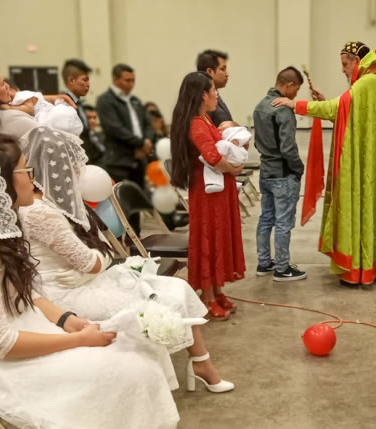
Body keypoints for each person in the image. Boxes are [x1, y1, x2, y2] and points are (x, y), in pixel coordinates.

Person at [0, 132, 179, 429]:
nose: (33, 179)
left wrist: (68, 321)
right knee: (131, 367)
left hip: (28, 332)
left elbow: (28, 294)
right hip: (2, 367)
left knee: (135, 348)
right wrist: (78, 340)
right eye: (25, 171)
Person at [18, 126, 232, 392]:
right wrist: (98, 259)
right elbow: (93, 261)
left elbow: (102, 254)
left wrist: (98, 258)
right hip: (65, 293)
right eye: (74, 164)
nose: (80, 170)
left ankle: (201, 363)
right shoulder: (39, 212)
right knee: (156, 305)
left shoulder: (62, 202)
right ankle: (153, 382)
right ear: (57, 168)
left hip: (87, 279)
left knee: (178, 286)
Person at [273, 41, 376, 286]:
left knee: (355, 204)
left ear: (356, 61)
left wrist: (295, 104)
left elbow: (337, 108)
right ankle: (370, 265)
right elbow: (349, 113)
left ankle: (355, 270)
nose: (343, 70)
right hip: (374, 160)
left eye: (344, 64)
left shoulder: (367, 83)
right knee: (372, 208)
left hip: (361, 163)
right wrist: (327, 101)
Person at [169, 72, 245, 320]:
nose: (216, 96)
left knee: (219, 238)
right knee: (209, 240)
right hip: (208, 194)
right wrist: (234, 169)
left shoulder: (205, 119)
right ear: (203, 95)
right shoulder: (196, 123)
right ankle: (208, 295)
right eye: (214, 91)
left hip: (219, 190)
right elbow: (212, 156)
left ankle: (217, 290)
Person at [253, 67, 306, 281]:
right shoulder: (283, 110)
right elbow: (288, 148)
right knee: (284, 223)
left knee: (266, 218)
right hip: (283, 174)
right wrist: (298, 168)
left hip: (265, 172)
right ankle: (282, 269)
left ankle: (264, 262)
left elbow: (257, 142)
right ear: (289, 85)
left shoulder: (259, 106)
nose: (295, 95)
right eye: (297, 89)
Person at [0, 63, 74, 141]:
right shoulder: (9, 117)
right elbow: (52, 139)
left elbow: (33, 99)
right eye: (2, 84)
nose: (7, 86)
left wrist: (53, 98)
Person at [96, 63, 154, 188]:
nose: (131, 84)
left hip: (139, 159)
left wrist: (147, 141)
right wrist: (141, 143)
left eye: (133, 80)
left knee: (138, 197)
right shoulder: (105, 100)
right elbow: (114, 128)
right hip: (118, 161)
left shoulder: (135, 100)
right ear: (115, 80)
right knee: (119, 197)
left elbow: (148, 124)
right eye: (127, 80)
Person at [2, 84, 83, 135]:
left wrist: (10, 108)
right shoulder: (16, 100)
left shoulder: (21, 96)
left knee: (53, 124)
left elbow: (29, 109)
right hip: (47, 113)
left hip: (49, 113)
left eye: (8, 90)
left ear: (15, 90)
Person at [196, 50, 236, 128]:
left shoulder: (214, 93)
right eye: (222, 69)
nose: (227, 74)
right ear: (209, 71)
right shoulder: (203, 98)